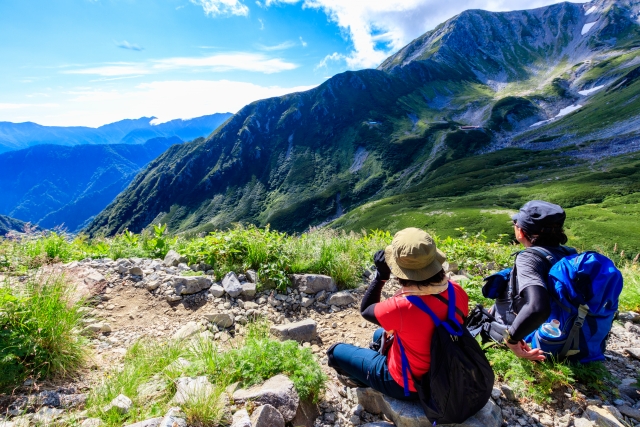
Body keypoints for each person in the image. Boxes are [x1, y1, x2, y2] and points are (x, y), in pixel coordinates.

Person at [326, 227, 469, 400]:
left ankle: (364, 380)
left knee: (335, 352)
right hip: (444, 373)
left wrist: (381, 276)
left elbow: (366, 309)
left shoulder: (402, 306)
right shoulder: (456, 290)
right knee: (379, 334)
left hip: (409, 385)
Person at [490, 200, 576, 361]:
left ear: (521, 232)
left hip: (538, 338)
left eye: (516, 223)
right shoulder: (569, 253)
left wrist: (512, 339)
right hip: (569, 330)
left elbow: (537, 307)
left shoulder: (529, 258)